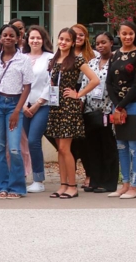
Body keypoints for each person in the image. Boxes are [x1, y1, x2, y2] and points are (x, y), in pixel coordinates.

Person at [45, 28, 99, 199]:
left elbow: (95, 80)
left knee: (65, 148)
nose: (63, 42)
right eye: (61, 39)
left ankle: (72, 186)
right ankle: (62, 185)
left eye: (67, 40)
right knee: (59, 150)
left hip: (69, 107)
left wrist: (78, 94)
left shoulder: (77, 60)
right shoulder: (54, 59)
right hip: (55, 106)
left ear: (73, 42)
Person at [0, 24, 33, 199]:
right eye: (4, 35)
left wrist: (17, 110)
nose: (7, 38)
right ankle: (2, 186)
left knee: (14, 148)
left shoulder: (24, 60)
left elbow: (27, 87)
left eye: (11, 35)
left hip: (14, 104)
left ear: (17, 38)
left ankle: (17, 187)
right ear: (0, 37)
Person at [106, 21, 136, 199]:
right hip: (119, 106)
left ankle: (135, 186)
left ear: (135, 34)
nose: (127, 37)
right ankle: (124, 184)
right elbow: (109, 82)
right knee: (121, 145)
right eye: (124, 34)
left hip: (135, 104)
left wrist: (122, 105)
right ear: (119, 34)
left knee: (134, 147)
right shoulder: (114, 55)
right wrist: (117, 105)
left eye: (131, 33)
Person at [80, 32, 119, 193]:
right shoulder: (92, 62)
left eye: (104, 42)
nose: (101, 46)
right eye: (98, 43)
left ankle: (108, 182)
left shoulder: (116, 63)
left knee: (108, 148)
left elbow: (118, 87)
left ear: (111, 43)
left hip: (107, 111)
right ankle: (95, 180)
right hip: (90, 111)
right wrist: (80, 102)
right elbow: (84, 84)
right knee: (93, 148)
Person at [21, 25, 54, 193]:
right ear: (27, 39)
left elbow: (52, 83)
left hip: (42, 105)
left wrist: (37, 103)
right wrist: (25, 105)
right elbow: (19, 82)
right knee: (27, 142)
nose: (35, 40)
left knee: (34, 140)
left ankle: (39, 180)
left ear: (44, 40)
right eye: (32, 37)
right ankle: (25, 177)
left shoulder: (51, 58)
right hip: (24, 106)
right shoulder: (21, 57)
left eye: (38, 38)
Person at [72, 23, 100, 189]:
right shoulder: (63, 53)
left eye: (82, 35)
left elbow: (95, 80)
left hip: (86, 95)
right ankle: (70, 175)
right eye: (75, 34)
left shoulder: (93, 55)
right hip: (67, 96)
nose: (78, 38)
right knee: (70, 141)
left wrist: (81, 98)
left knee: (84, 140)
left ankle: (89, 174)